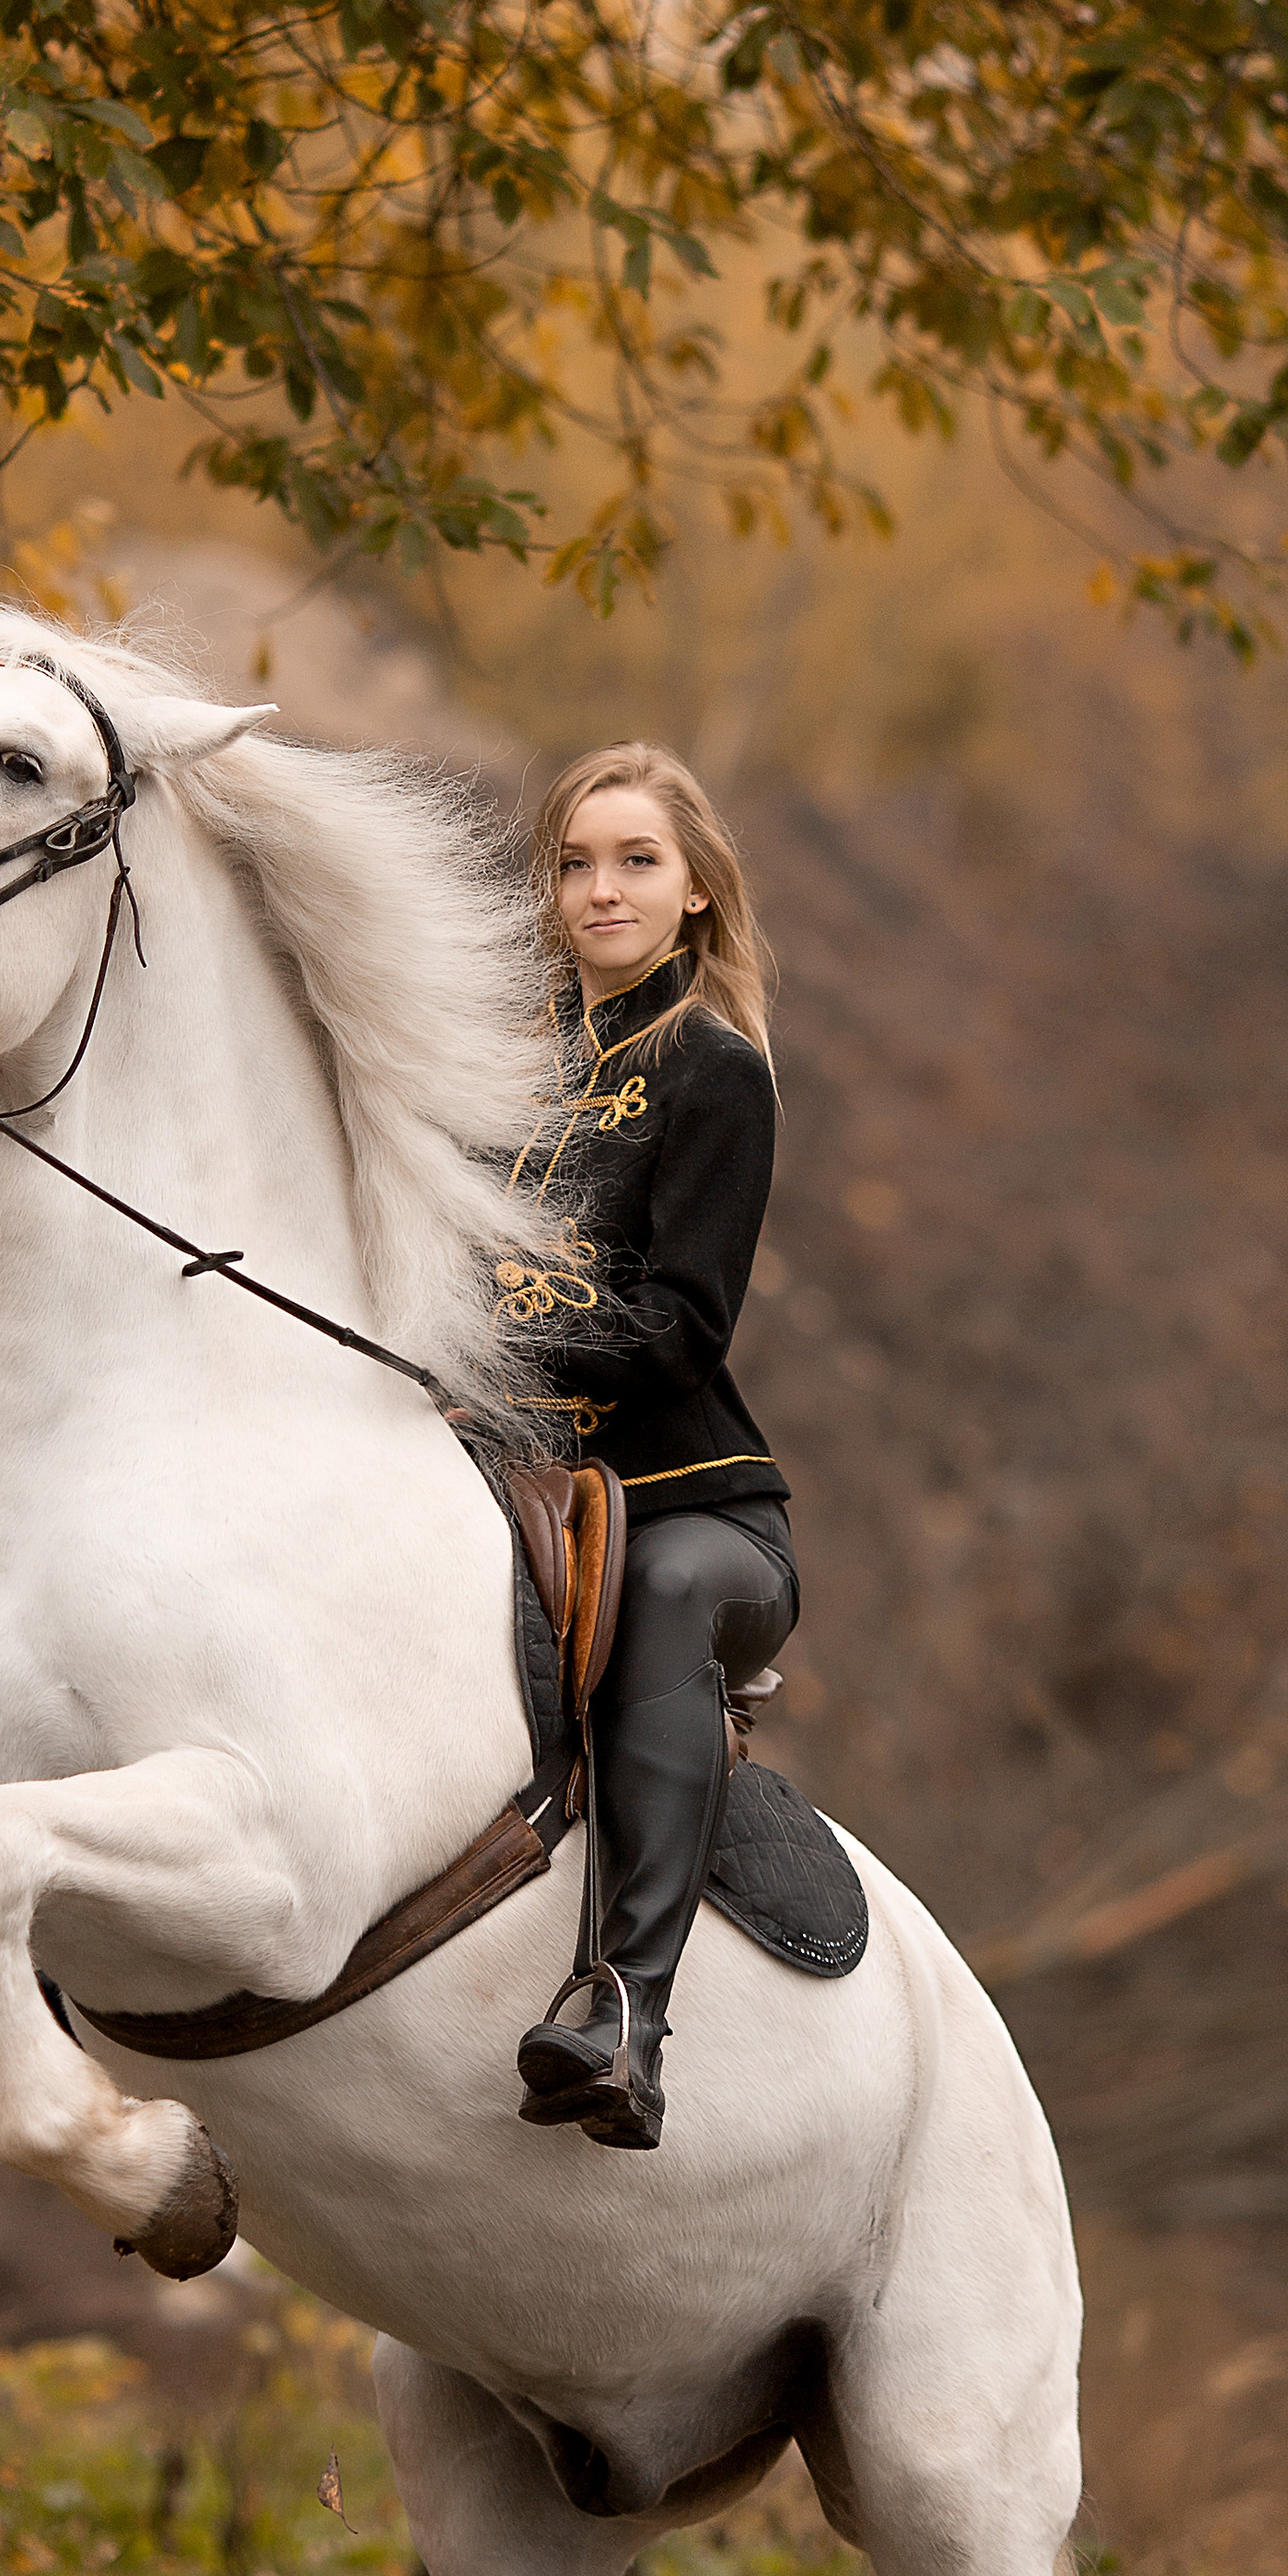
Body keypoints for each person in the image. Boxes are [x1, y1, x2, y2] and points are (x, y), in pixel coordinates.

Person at [506, 742, 799, 2152]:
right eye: (574, 862)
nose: (598, 889)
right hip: (501, 1474)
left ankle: (626, 2006)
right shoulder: (504, 1064)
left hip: (693, 1512)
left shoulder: (715, 1074)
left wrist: (492, 1319)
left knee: (669, 1591)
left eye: (635, 861)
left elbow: (683, 1329)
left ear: (695, 895)